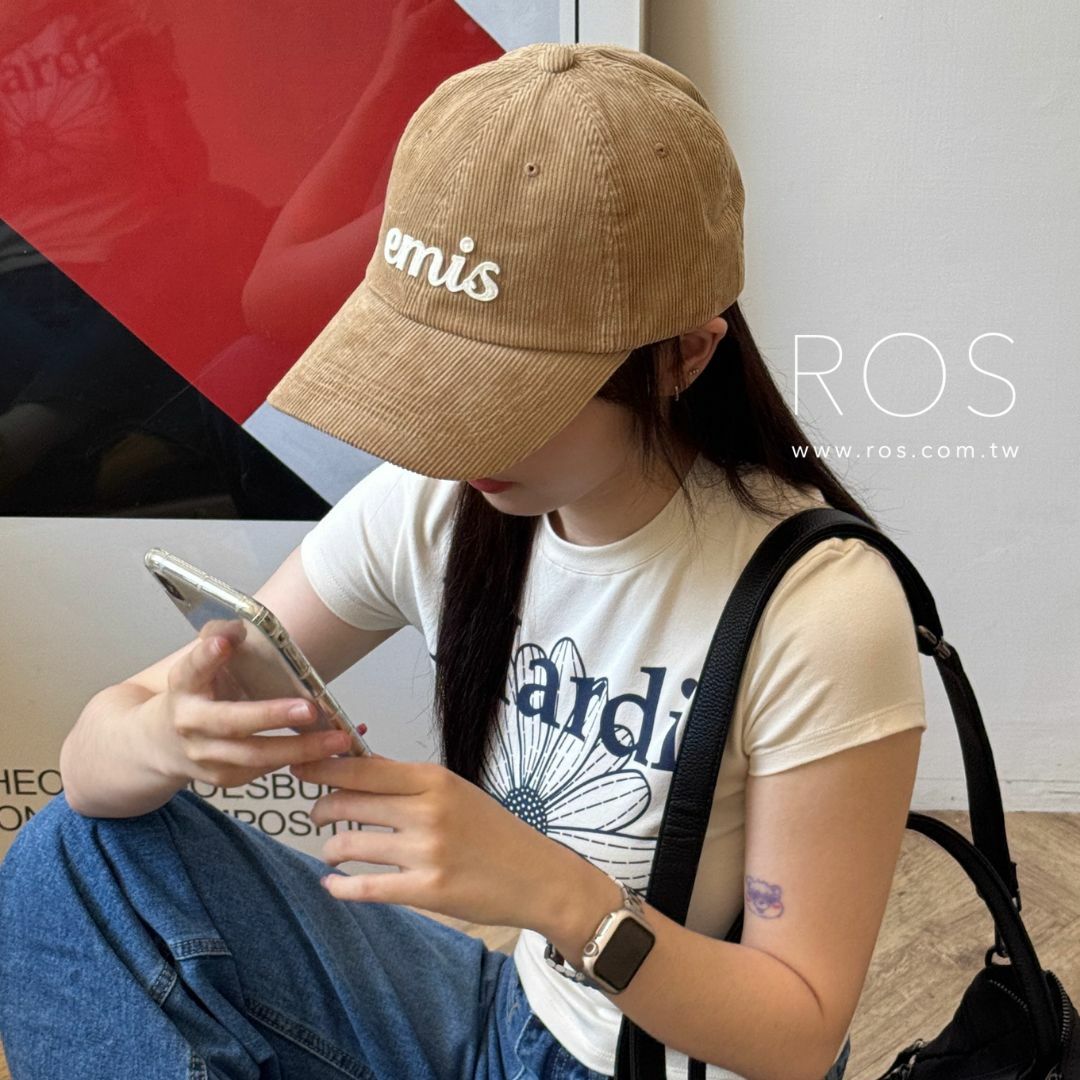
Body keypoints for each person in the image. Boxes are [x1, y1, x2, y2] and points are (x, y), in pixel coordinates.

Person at [0, 42, 924, 1080]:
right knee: (71, 853)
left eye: (508, 394)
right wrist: (165, 735)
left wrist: (556, 895)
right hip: (509, 1020)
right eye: (436, 376)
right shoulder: (442, 506)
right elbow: (92, 767)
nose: (459, 435)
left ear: (683, 355)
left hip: (651, 1059)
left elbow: (798, 1035)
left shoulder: (818, 605)